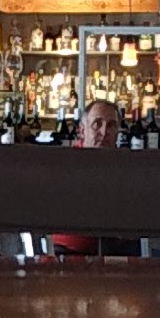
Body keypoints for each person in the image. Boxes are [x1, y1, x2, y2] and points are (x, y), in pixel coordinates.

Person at [51, 99, 132, 256]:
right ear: (82, 131)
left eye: (111, 125)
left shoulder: (123, 165)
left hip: (114, 250)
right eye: (97, 124)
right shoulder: (67, 165)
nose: (104, 132)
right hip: (70, 252)